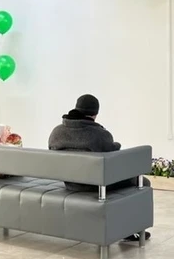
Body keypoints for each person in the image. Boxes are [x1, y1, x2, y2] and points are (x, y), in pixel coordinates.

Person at [48, 94, 151, 242]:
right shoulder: (99, 134)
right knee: (143, 183)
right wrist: (117, 145)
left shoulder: (57, 132)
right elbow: (112, 154)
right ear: (95, 113)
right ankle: (131, 231)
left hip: (70, 184)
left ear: (77, 108)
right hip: (96, 186)